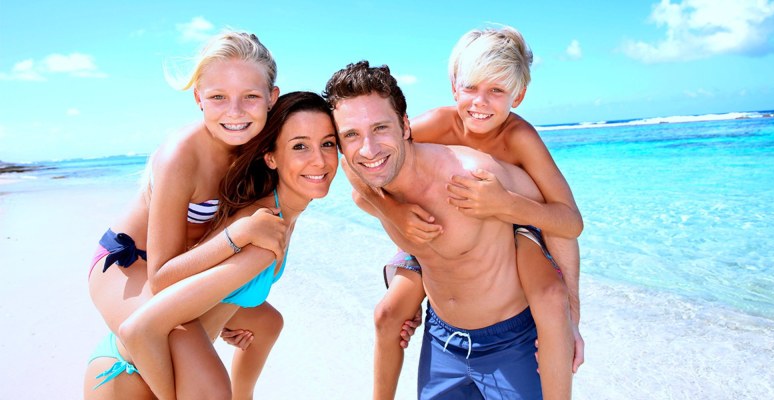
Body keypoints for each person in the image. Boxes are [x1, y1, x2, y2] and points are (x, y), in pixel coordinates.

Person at [367, 26, 584, 399]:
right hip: (437, 230)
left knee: (550, 297)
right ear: (455, 86)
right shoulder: (435, 125)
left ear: (518, 95)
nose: (480, 102)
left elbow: (570, 221)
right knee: (388, 313)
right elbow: (367, 166)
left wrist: (506, 204)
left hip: (510, 226)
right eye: (471, 88)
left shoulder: (519, 138)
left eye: (497, 91)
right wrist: (394, 212)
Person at [325, 60, 550, 399]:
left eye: (381, 128)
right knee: (386, 315)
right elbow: (354, 174)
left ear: (405, 126)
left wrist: (568, 311)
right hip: (441, 338)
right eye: (351, 135)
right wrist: (394, 212)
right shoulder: (371, 194)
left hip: (510, 341)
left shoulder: (473, 176)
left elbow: (556, 217)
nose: (368, 149)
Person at [84, 31, 286, 399]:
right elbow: (161, 277)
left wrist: (220, 311)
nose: (235, 111)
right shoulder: (181, 156)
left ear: (271, 98)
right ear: (198, 99)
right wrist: (240, 234)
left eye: (251, 96)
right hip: (131, 266)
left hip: (184, 267)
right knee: (209, 386)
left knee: (267, 323)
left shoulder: (261, 150)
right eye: (218, 97)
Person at [117, 91, 338, 400]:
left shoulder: (278, 214)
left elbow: (223, 297)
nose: (320, 160)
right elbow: (139, 329)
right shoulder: (260, 234)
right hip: (135, 377)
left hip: (173, 362)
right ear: (271, 157)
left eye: (328, 143)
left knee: (270, 322)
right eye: (300, 146)